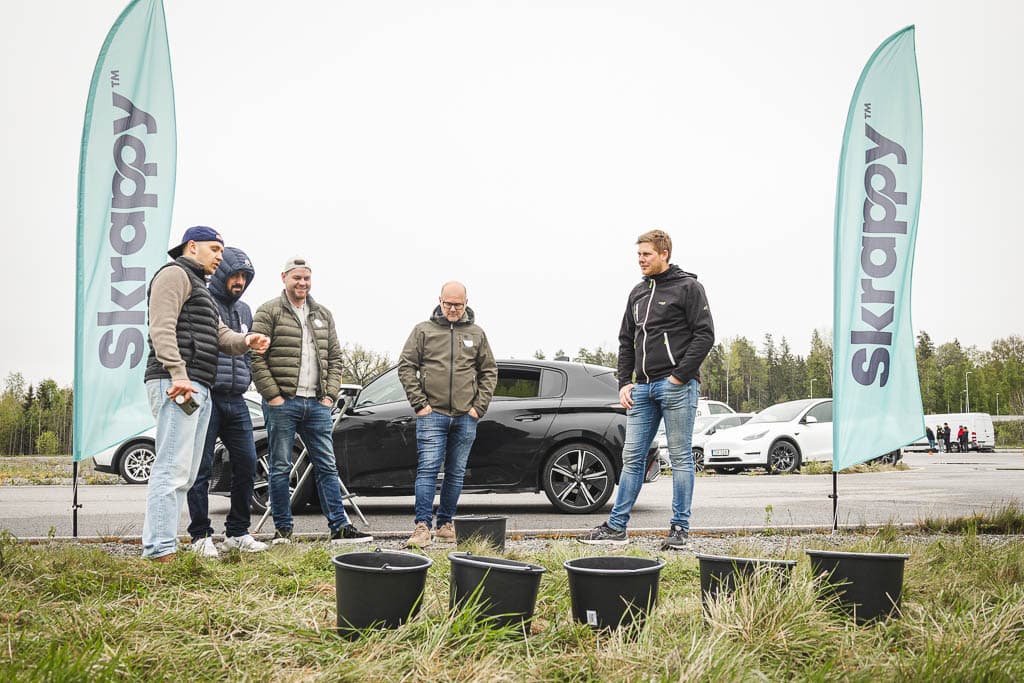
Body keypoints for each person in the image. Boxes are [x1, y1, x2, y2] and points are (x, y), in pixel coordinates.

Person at [579, 229, 714, 550]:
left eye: (646, 254)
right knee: (632, 459)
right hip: (642, 389)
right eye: (638, 255)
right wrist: (624, 382)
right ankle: (616, 528)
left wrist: (679, 377)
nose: (640, 260)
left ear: (664, 253)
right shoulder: (637, 294)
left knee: (680, 459)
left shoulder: (688, 288)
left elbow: (705, 336)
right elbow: (627, 341)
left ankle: (679, 530)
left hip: (677, 388)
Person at [142, 226, 270, 561]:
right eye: (215, 249)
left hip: (199, 384)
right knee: (171, 467)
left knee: (183, 470)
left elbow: (221, 335)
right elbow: (161, 326)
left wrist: (247, 341)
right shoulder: (173, 274)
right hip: (176, 382)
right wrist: (178, 373)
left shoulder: (198, 287)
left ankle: (164, 544)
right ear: (192, 246)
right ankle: (159, 549)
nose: (219, 257)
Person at [250, 256, 372, 545]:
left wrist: (329, 394)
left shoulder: (322, 314)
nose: (302, 283)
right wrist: (274, 396)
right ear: (284, 278)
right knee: (280, 467)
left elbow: (336, 357)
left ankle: (340, 528)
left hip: (317, 404)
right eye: (297, 278)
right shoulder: (268, 311)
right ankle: (283, 531)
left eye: (306, 278)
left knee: (327, 465)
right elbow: (256, 356)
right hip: (283, 404)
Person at [397, 281, 497, 548]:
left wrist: (479, 407)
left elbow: (489, 372)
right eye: (448, 304)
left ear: (467, 302)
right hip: (432, 414)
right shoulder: (423, 331)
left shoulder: (476, 334)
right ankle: (422, 527)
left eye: (458, 305)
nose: (453, 309)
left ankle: (445, 524)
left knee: (456, 472)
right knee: (428, 469)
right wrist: (420, 404)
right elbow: (406, 367)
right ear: (439, 300)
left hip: (466, 416)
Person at [185, 247, 267, 557]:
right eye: (234, 274)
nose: (240, 281)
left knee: (247, 464)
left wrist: (247, 377)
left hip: (237, 399)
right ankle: (200, 536)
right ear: (220, 274)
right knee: (201, 467)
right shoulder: (203, 301)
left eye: (245, 276)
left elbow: (246, 352)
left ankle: (237, 532)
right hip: (208, 395)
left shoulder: (246, 311)